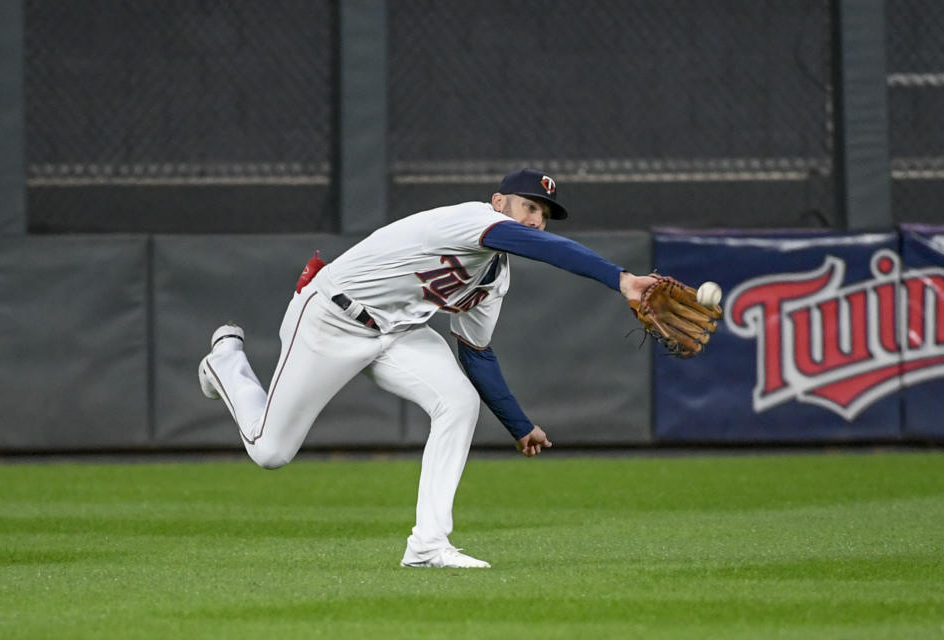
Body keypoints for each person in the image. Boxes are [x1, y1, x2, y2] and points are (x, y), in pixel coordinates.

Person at [198, 168, 656, 568]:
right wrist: (620, 278)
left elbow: (476, 352)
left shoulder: (495, 277)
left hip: (396, 332)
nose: (536, 219)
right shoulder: (475, 220)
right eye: (529, 206)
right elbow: (546, 249)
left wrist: (519, 425)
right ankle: (226, 362)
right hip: (331, 317)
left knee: (457, 403)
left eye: (544, 214)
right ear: (500, 203)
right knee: (270, 452)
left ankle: (428, 546)